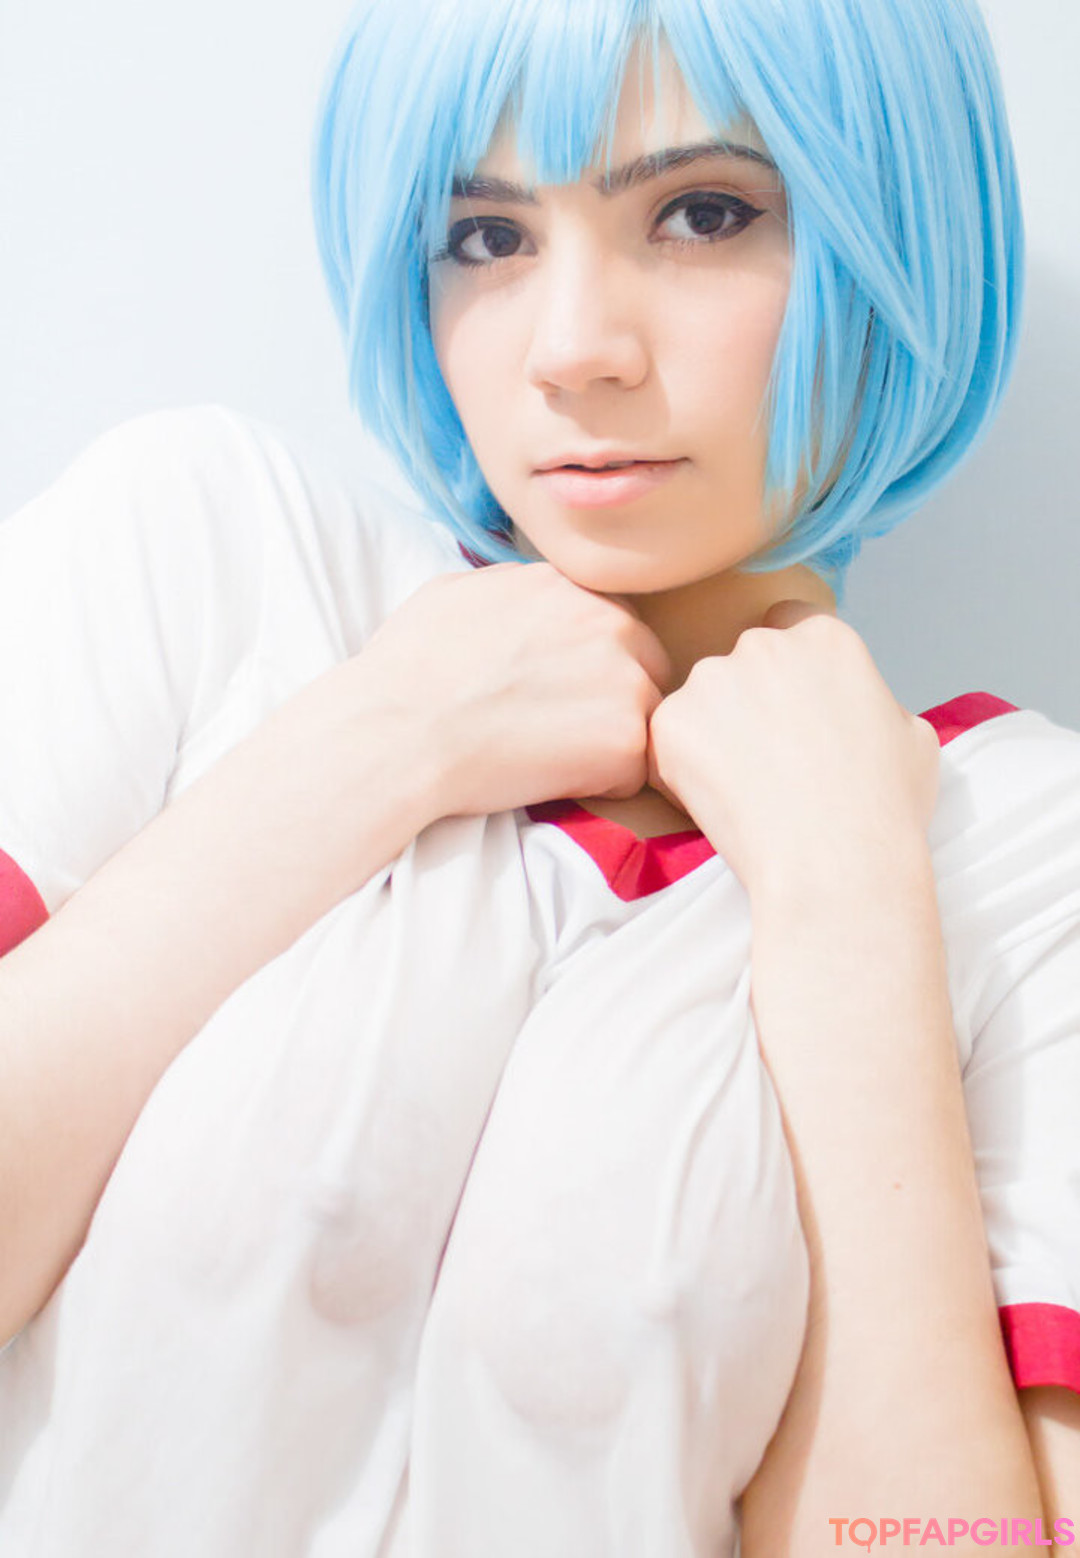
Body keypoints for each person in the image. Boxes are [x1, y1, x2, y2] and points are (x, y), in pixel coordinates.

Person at [0, 0, 1077, 1552]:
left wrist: (849, 911)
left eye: (703, 215)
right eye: (487, 237)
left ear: (894, 227)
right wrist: (378, 739)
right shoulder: (215, 558)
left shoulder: (1025, 854)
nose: (574, 348)